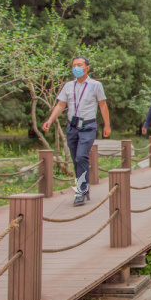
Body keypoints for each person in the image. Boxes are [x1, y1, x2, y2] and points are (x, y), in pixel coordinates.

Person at [42, 57, 111, 206]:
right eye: (74, 65)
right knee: (75, 160)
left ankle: (80, 191)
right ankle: (83, 188)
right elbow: (61, 105)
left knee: (81, 157)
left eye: (79, 65)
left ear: (87, 68)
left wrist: (107, 125)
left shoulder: (95, 85)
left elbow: (103, 105)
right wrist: (50, 120)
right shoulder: (68, 86)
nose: (76, 68)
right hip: (72, 127)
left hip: (88, 126)